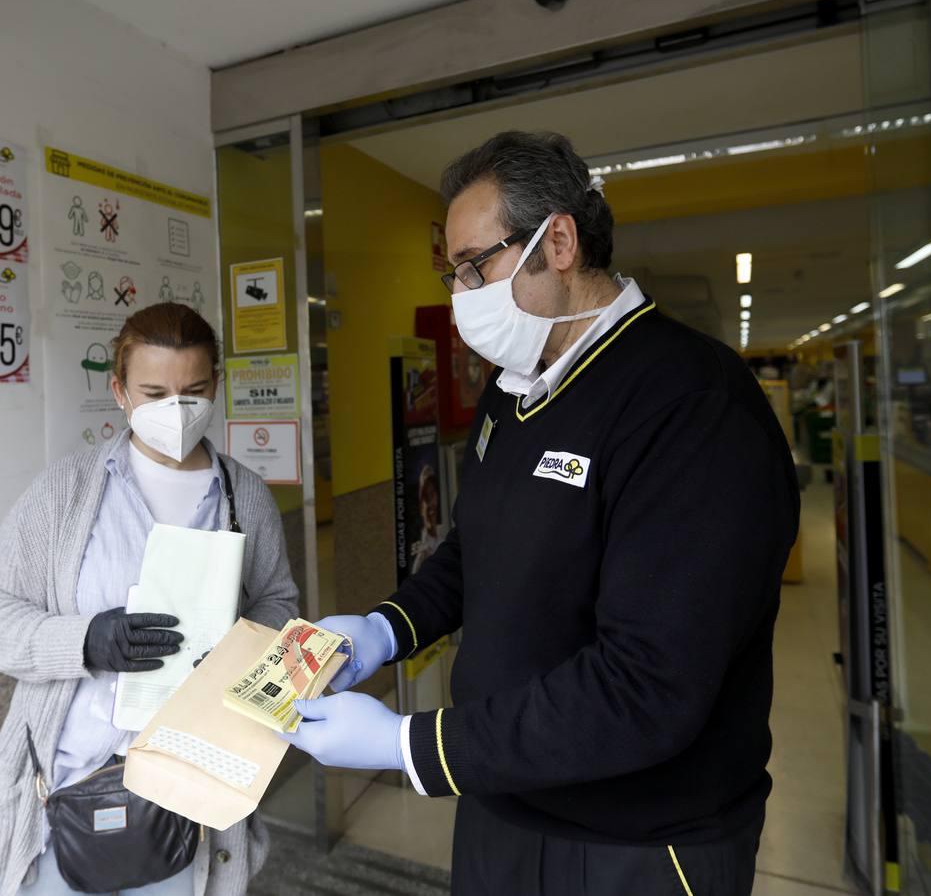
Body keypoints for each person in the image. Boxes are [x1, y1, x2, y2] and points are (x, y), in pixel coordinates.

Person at [282, 131, 799, 895]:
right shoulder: (514, 389)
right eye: (452, 272)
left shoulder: (689, 403)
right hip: (501, 800)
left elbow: (648, 685)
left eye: (473, 266)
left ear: (558, 241)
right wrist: (386, 628)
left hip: (641, 841)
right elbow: (474, 549)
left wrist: (409, 744)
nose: (460, 293)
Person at [0, 303, 299, 896]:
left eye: (194, 390)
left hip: (189, 801)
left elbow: (280, 605)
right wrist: (85, 641)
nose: (176, 409)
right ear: (119, 392)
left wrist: (239, 652)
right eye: (154, 392)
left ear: (216, 385)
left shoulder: (243, 496)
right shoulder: (63, 494)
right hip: (64, 795)